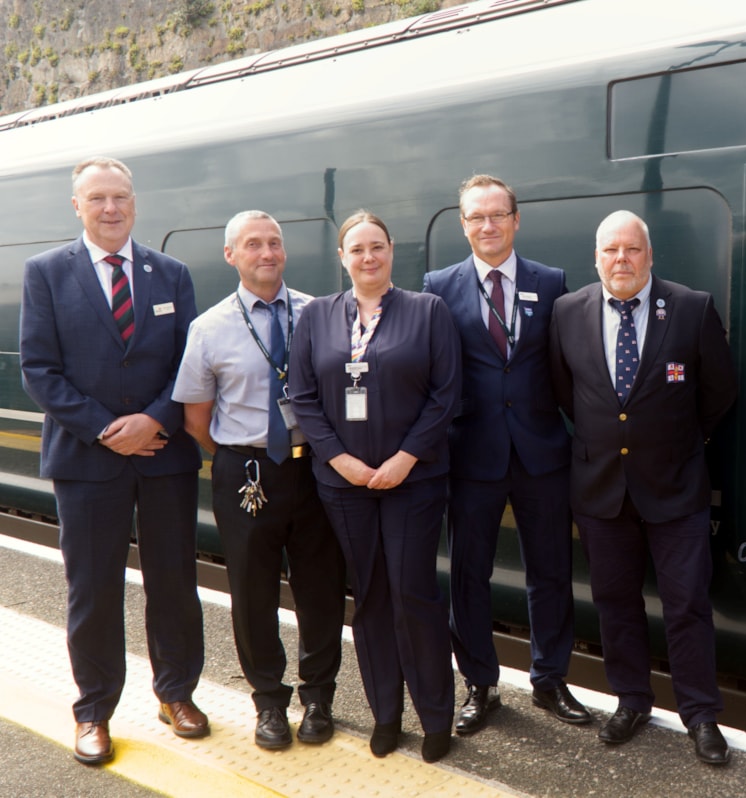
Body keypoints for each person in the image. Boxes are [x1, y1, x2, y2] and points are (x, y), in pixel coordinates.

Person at [18, 156, 207, 765]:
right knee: (93, 590)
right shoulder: (45, 273)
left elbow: (189, 362)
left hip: (163, 455)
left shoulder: (171, 273)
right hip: (85, 460)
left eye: (120, 197)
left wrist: (155, 419)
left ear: (135, 202)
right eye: (97, 198)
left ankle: (175, 693)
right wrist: (106, 429)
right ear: (77, 206)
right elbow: (38, 370)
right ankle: (94, 710)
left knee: (174, 583)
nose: (110, 208)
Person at [548, 210, 737, 765]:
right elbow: (567, 392)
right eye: (610, 251)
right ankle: (632, 699)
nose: (621, 260)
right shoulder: (566, 312)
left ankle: (701, 716)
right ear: (597, 258)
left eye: (631, 250)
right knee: (614, 602)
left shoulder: (691, 308)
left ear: (649, 256)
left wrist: (678, 443)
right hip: (601, 489)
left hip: (675, 489)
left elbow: (719, 391)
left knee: (686, 604)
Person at [289, 210, 461, 763]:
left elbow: (446, 394)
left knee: (414, 593)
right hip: (344, 484)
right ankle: (386, 715)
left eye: (378, 247)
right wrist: (340, 460)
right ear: (342, 257)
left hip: (413, 480)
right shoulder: (316, 316)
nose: (368, 257)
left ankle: (436, 716)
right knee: (369, 596)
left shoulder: (427, 311)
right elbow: (303, 397)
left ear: (393, 252)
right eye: (357, 249)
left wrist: (405, 458)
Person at [423, 175, 591, 736]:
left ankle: (550, 679)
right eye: (477, 216)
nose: (488, 225)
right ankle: (479, 683)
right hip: (472, 455)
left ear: (516, 220)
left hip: (542, 451)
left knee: (550, 572)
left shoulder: (551, 282)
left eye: (498, 215)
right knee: (470, 574)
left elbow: (563, 367)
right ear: (463, 224)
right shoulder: (438, 287)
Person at [173, 211, 347, 750]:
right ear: (232, 256)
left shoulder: (319, 312)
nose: (266, 253)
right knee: (252, 591)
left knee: (321, 588)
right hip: (246, 470)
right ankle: (269, 700)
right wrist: (241, 455)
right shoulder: (209, 328)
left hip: (315, 469)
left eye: (274, 243)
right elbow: (196, 419)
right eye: (253, 244)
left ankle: (319, 696)